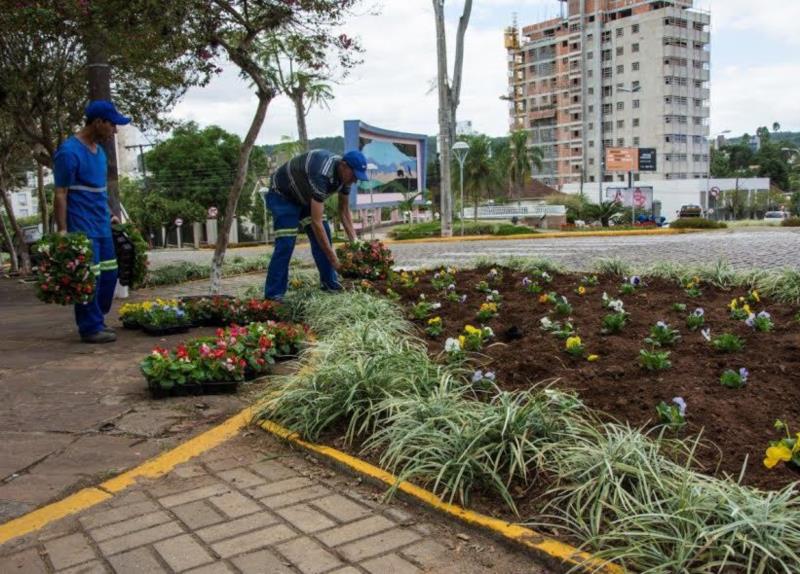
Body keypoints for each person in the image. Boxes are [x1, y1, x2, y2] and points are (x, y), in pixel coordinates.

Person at [53, 100, 131, 343]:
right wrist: (63, 230)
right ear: (98, 122)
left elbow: (99, 190)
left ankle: (97, 318)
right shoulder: (68, 152)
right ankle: (89, 327)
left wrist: (110, 213)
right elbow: (60, 193)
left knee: (110, 274)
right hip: (81, 227)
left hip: (102, 225)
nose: (114, 131)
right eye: (112, 125)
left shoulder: (100, 153)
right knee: (90, 278)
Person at [264, 149, 364, 300]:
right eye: (354, 175)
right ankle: (274, 296)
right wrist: (334, 260)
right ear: (343, 166)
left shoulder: (346, 179)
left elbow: (343, 211)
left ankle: (330, 284)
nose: (355, 180)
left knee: (325, 235)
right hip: (283, 195)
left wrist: (355, 242)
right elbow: (316, 223)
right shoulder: (322, 173)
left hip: (305, 196)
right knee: (286, 243)